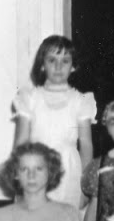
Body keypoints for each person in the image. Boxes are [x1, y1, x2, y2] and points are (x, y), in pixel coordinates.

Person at [13, 35, 94, 208]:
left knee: (65, 219)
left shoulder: (80, 101)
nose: (58, 66)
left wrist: (85, 186)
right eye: (52, 60)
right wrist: (18, 180)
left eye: (65, 61)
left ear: (73, 66)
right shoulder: (30, 98)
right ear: (42, 65)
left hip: (69, 172)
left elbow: (86, 145)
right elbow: (21, 142)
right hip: (35, 169)